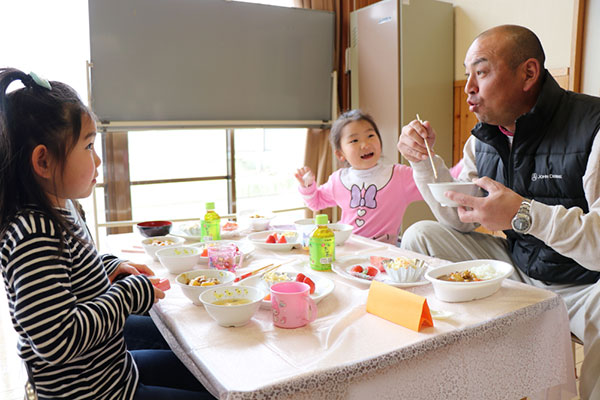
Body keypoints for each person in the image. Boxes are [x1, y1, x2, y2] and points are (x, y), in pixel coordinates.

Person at [397, 25, 600, 399]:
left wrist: (523, 213)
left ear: (528, 73)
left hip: (586, 285)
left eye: (482, 71)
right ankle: (463, 369)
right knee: (419, 235)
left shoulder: (592, 125)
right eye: (467, 73)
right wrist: (422, 164)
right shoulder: (484, 137)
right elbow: (459, 220)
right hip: (520, 268)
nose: (468, 88)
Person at [0, 68, 213, 399]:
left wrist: (109, 267)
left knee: (203, 368)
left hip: (114, 372)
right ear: (43, 162)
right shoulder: (32, 233)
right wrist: (128, 295)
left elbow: (74, 267)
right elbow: (58, 340)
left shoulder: (62, 206)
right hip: (97, 392)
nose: (98, 160)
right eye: (87, 147)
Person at [295, 109, 461, 244]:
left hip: (384, 253)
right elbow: (316, 202)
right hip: (348, 247)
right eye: (354, 141)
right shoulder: (338, 180)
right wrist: (307, 186)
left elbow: (438, 181)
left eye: (370, 136)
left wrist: (468, 161)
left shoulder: (399, 176)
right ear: (340, 154)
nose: (365, 144)